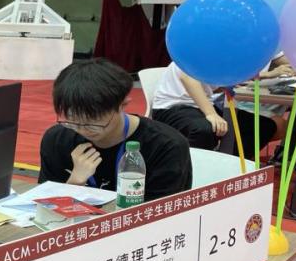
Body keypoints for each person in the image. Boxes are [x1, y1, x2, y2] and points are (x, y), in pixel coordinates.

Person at [39, 58, 192, 201]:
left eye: (94, 120)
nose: (83, 129)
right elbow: (43, 204)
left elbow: (162, 213)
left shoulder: (166, 145)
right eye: (72, 119)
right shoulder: (57, 140)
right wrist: (74, 184)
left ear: (122, 104)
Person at [150, 57, 292, 156]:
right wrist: (211, 114)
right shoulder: (197, 47)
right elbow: (188, 78)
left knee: (264, 125)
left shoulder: (222, 55)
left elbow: (229, 78)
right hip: (172, 106)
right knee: (205, 129)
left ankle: (229, 163)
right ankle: (192, 173)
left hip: (202, 105)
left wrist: (269, 75)